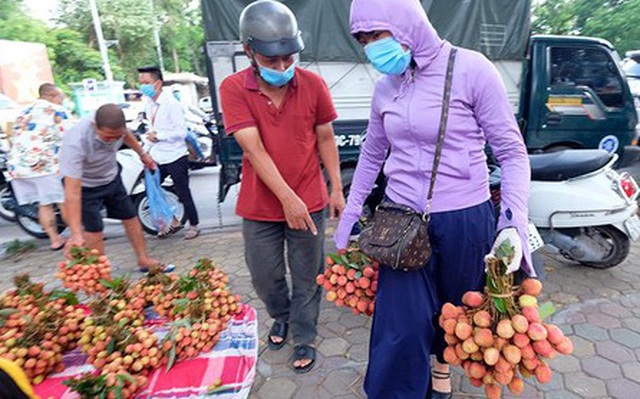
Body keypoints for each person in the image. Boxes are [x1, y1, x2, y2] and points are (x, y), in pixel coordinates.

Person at [333, 1, 532, 398]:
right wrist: (351, 210)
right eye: (363, 39)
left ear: (408, 25)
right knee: (399, 332)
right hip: (400, 225)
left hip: (465, 219)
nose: (371, 47)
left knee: (454, 311)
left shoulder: (472, 70)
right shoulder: (385, 87)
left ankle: (442, 366)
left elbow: (511, 153)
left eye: (377, 34)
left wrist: (513, 220)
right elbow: (372, 154)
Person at [219, 0, 345, 373]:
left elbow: (326, 138)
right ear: (249, 51)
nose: (282, 67)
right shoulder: (233, 88)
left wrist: (336, 188)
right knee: (264, 274)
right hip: (261, 203)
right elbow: (252, 148)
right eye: (272, 60)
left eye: (289, 58)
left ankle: (304, 334)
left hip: (310, 196)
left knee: (308, 274)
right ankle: (282, 314)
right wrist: (288, 199)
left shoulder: (313, 84)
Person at [59, 103, 170, 273]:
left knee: (131, 217)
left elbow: (126, 135)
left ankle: (143, 259)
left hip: (110, 177)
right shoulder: (76, 141)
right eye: (107, 137)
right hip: (85, 186)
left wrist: (143, 154)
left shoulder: (118, 127)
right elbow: (72, 191)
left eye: (115, 137)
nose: (112, 141)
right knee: (94, 232)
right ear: (95, 126)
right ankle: (101, 274)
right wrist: (75, 234)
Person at [137, 66, 200, 240]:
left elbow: (181, 133)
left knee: (182, 191)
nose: (143, 86)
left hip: (175, 155)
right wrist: (144, 151)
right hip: (157, 155)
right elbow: (152, 131)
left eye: (146, 83)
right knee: (152, 188)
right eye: (141, 83)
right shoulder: (149, 104)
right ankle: (172, 221)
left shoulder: (171, 104)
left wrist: (159, 137)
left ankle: (194, 225)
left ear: (158, 84)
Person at [7, 83, 72, 250]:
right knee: (63, 200)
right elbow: (72, 134)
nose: (62, 102)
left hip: (20, 167)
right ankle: (77, 235)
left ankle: (55, 239)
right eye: (61, 98)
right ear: (52, 96)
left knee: (45, 204)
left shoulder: (24, 112)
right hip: (44, 165)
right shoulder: (56, 110)